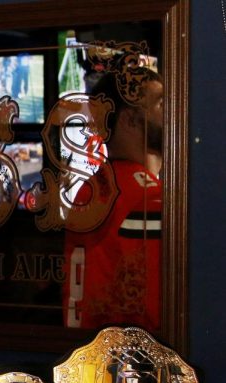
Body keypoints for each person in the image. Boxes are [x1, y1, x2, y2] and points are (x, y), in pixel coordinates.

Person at [62, 66, 163, 330]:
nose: (172, 113)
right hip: (134, 361)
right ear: (130, 119)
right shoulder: (149, 197)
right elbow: (155, 312)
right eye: (161, 103)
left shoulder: (92, 188)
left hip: (91, 354)